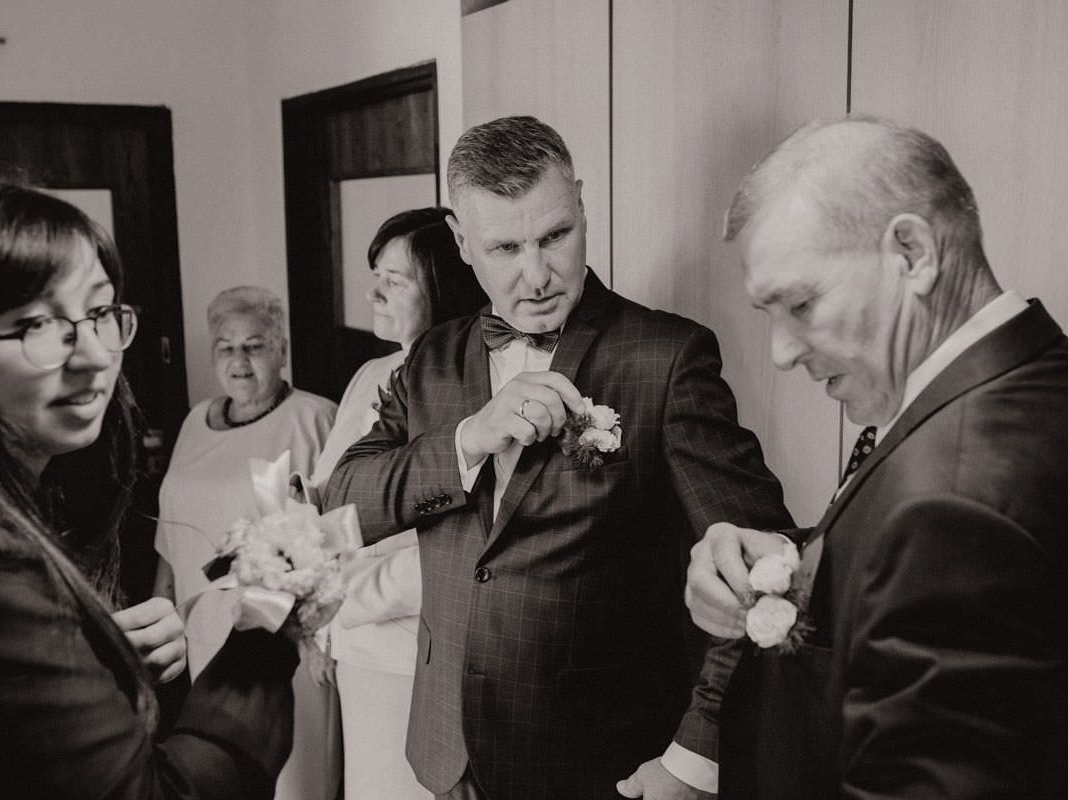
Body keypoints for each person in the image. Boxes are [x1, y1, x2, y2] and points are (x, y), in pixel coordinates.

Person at [322, 115, 792, 800]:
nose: (537, 275)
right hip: (445, 753)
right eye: (504, 247)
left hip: (603, 766)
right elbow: (342, 502)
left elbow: (765, 568)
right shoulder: (429, 360)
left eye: (555, 236)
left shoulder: (667, 359)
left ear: (580, 201)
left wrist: (695, 758)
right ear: (460, 241)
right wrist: (466, 441)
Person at [686, 116, 1068, 798]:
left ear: (913, 253)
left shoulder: (954, 500)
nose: (781, 351)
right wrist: (791, 557)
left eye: (800, 303)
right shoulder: (1064, 387)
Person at [0, 179, 300, 798]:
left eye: (100, 313)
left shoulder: (22, 502)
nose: (95, 355)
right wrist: (267, 621)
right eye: (36, 323)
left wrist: (87, 661)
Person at [304, 206, 488, 800]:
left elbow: (462, 544)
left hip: (415, 652)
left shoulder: (471, 391)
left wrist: (345, 601)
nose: (372, 292)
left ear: (441, 285)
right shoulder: (370, 374)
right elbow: (335, 494)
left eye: (394, 279)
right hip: (354, 643)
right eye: (374, 273)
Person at [152, 285, 339, 800]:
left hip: (284, 639)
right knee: (221, 774)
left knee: (294, 782)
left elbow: (338, 533)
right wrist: (164, 606)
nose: (239, 359)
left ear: (280, 349)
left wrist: (323, 638)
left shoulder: (317, 419)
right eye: (225, 346)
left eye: (254, 345)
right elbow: (171, 532)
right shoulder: (196, 420)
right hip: (204, 634)